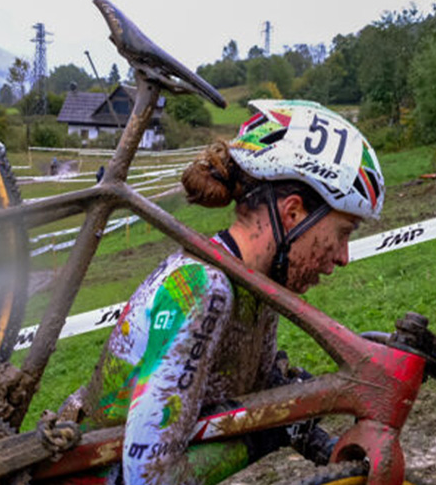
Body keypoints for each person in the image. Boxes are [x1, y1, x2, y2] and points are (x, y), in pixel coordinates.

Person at [59, 100, 385, 484]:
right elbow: (148, 479)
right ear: (293, 213)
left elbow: (258, 393)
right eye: (343, 233)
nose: (344, 256)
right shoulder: (203, 289)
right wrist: (262, 437)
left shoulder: (256, 286)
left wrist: (315, 440)